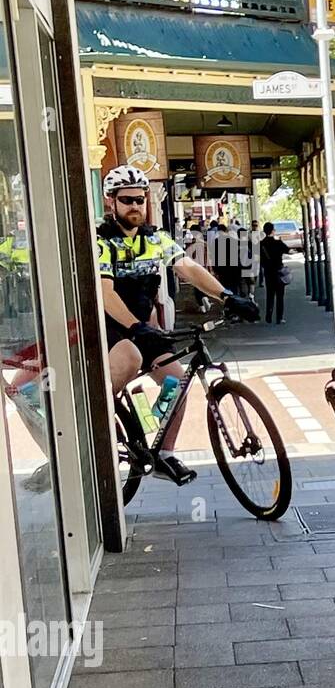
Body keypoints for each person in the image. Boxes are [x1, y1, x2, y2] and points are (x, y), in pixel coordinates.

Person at [97, 166, 258, 485]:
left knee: (176, 382)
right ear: (110, 202)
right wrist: (134, 327)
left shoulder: (154, 239)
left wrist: (227, 297)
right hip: (109, 327)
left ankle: (162, 453)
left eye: (140, 199)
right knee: (129, 357)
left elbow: (188, 267)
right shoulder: (102, 241)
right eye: (127, 199)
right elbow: (105, 293)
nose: (135, 206)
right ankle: (94, 433)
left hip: (140, 326)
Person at [259, 222, 290, 325]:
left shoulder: (261, 244)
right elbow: (287, 250)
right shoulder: (278, 243)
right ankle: (279, 317)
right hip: (278, 271)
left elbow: (259, 259)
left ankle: (268, 316)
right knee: (280, 296)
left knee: (270, 294)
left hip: (268, 272)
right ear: (273, 231)